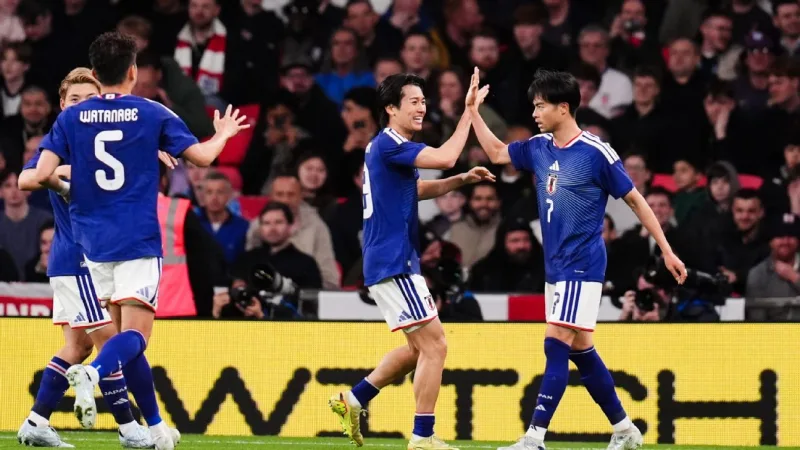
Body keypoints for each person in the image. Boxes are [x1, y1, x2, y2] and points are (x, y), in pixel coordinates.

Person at [31, 32, 248, 450]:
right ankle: (93, 373)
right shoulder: (151, 112)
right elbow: (202, 158)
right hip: (137, 238)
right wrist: (221, 134)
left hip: (92, 244)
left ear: (95, 74)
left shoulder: (70, 119)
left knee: (118, 335)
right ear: (133, 72)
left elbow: (41, 175)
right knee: (137, 336)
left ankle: (142, 423)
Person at [467, 68, 687, 450]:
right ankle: (624, 429)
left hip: (582, 263)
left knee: (555, 344)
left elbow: (635, 199)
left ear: (563, 107)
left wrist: (666, 249)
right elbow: (499, 152)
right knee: (582, 351)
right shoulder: (538, 147)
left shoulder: (595, 151)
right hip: (555, 267)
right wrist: (472, 112)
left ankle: (534, 438)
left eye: (540, 106)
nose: (534, 113)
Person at [328, 71, 494, 450]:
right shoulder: (390, 144)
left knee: (419, 348)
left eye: (423, 100)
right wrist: (469, 111)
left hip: (388, 259)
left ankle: (353, 399)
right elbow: (448, 155)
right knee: (436, 347)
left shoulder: (387, 147)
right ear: (390, 108)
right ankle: (422, 437)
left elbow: (414, 188)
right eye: (414, 101)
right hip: (394, 259)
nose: (422, 107)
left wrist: (461, 181)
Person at [16, 67, 153, 448]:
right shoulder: (59, 142)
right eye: (74, 99)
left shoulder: (108, 142)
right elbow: (26, 179)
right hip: (76, 260)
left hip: (99, 259)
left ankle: (36, 422)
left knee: (78, 348)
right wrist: (62, 174)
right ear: (62, 105)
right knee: (114, 341)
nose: (81, 105)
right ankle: (131, 428)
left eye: (89, 99)